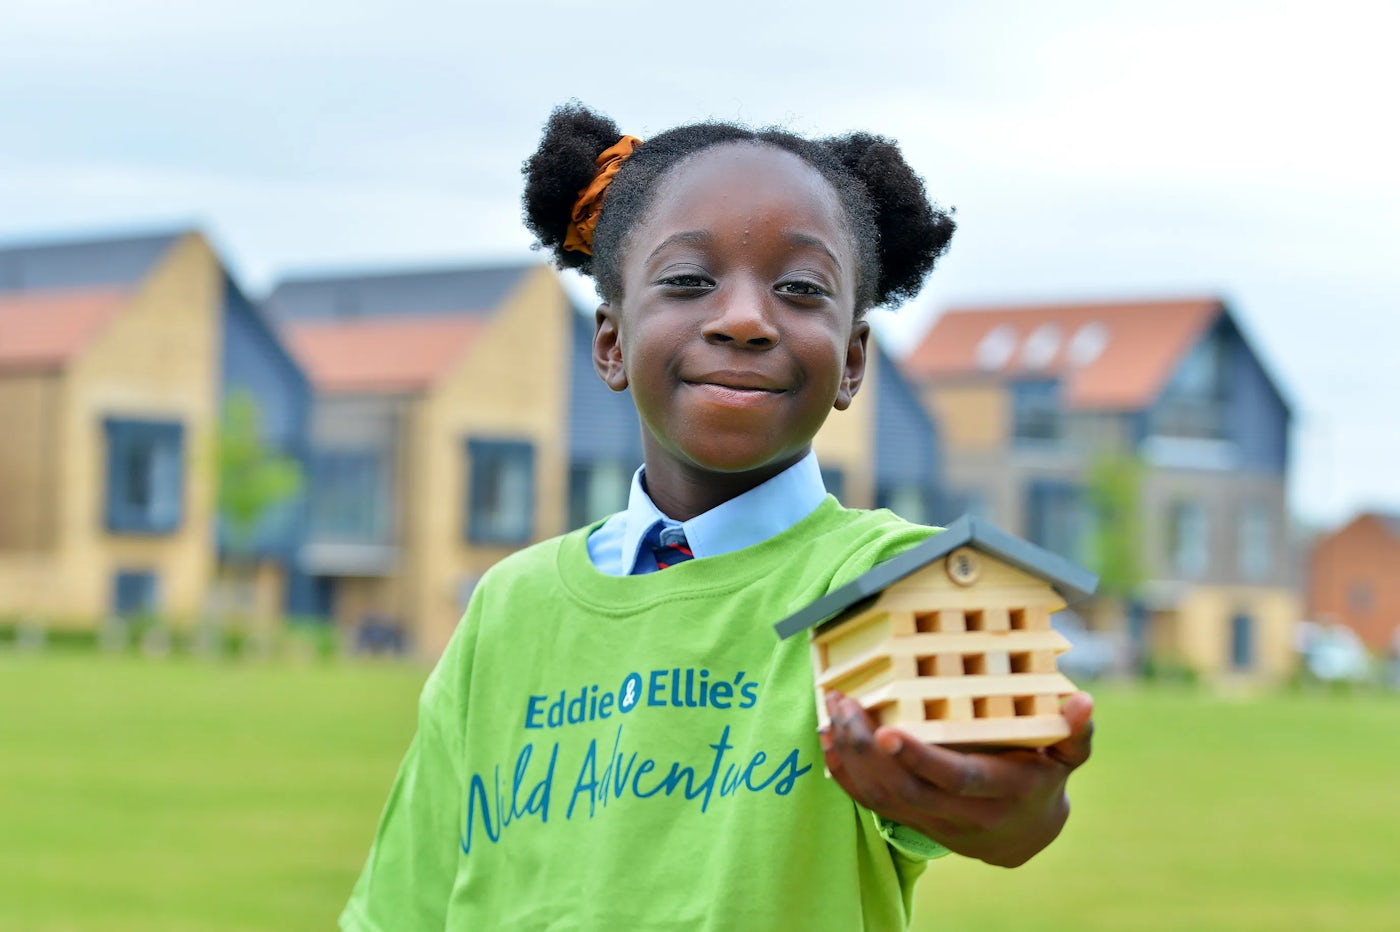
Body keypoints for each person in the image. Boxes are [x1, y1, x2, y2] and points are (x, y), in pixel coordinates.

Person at [340, 102, 1095, 931]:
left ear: (850, 362)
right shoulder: (509, 607)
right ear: (611, 343)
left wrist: (1019, 800)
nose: (743, 318)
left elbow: (1002, 777)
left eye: (801, 290)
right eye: (688, 281)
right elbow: (401, 908)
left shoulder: (893, 583)